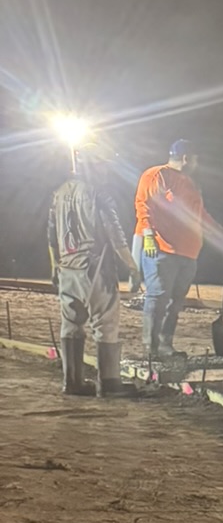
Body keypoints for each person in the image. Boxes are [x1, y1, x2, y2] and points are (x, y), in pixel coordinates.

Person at [47, 145, 134, 397]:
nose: (106, 169)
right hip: (95, 268)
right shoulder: (99, 194)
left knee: (71, 323)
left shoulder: (58, 193)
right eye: (102, 164)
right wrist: (131, 266)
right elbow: (115, 235)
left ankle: (72, 382)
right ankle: (109, 383)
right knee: (105, 322)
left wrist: (55, 266)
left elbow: (51, 234)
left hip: (67, 268)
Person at [134, 138, 206, 358]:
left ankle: (165, 344)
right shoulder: (157, 174)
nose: (196, 163)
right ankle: (151, 346)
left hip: (188, 252)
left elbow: (200, 215)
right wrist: (147, 234)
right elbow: (144, 204)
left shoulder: (191, 184)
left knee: (175, 301)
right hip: (162, 248)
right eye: (194, 159)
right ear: (186, 158)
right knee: (158, 297)